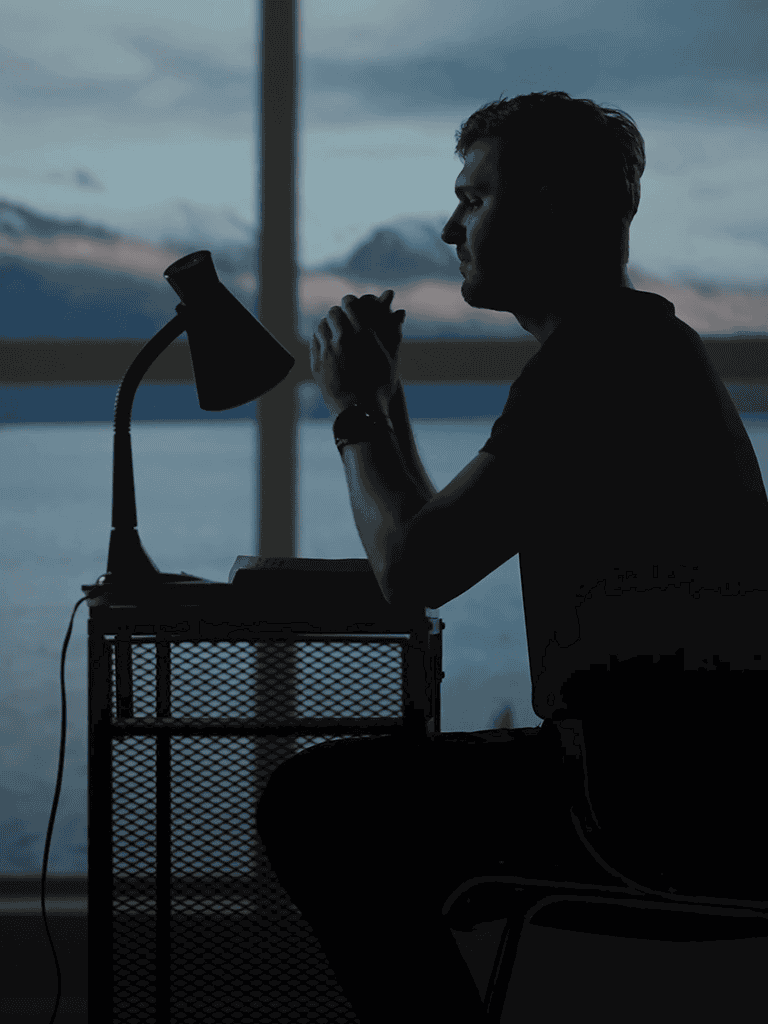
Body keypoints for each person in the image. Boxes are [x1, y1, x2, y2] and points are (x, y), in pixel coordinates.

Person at [255, 91, 768, 1023]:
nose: (452, 226)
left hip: (651, 800)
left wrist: (356, 408)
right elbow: (431, 537)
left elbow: (411, 571)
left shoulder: (601, 358)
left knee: (311, 806)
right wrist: (384, 399)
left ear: (548, 205)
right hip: (701, 783)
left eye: (473, 198)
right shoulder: (635, 347)